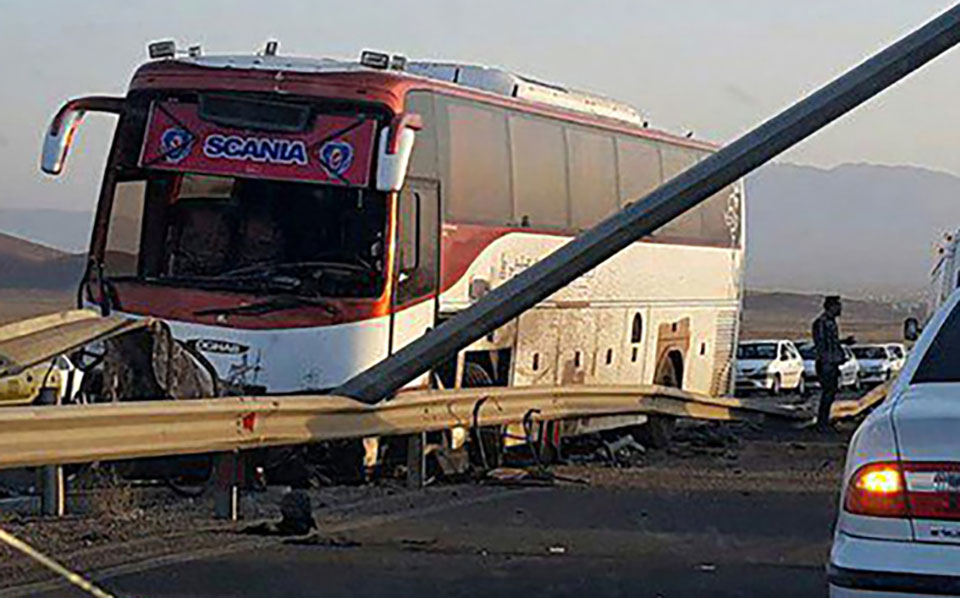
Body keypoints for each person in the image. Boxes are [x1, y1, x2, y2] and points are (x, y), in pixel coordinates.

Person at [812, 295, 845, 430]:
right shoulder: (821, 323)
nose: (840, 309)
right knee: (827, 392)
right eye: (838, 306)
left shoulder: (831, 323)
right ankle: (822, 422)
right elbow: (821, 344)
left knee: (831, 392)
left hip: (832, 362)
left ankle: (824, 420)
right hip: (826, 363)